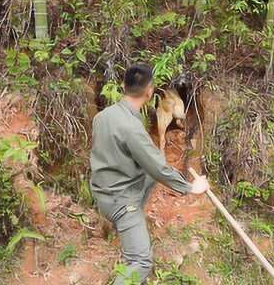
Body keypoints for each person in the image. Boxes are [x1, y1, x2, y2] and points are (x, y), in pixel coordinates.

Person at [90, 63, 210, 284]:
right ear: (149, 91)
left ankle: (128, 228)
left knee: (149, 175)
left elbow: (146, 167)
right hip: (121, 201)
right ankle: (129, 225)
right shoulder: (132, 128)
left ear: (124, 86)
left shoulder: (103, 116)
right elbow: (158, 167)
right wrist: (191, 187)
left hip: (102, 192)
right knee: (141, 262)